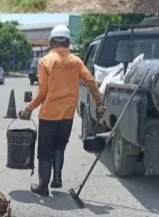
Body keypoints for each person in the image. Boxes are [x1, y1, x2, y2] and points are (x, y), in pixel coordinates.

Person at [19, 25, 105, 195]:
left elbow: (42, 92)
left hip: (49, 114)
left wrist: (28, 109)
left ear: (51, 42)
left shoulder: (45, 61)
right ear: (68, 43)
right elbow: (91, 81)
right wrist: (99, 102)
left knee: (45, 150)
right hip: (67, 114)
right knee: (59, 146)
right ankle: (57, 178)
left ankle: (43, 187)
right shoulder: (76, 61)